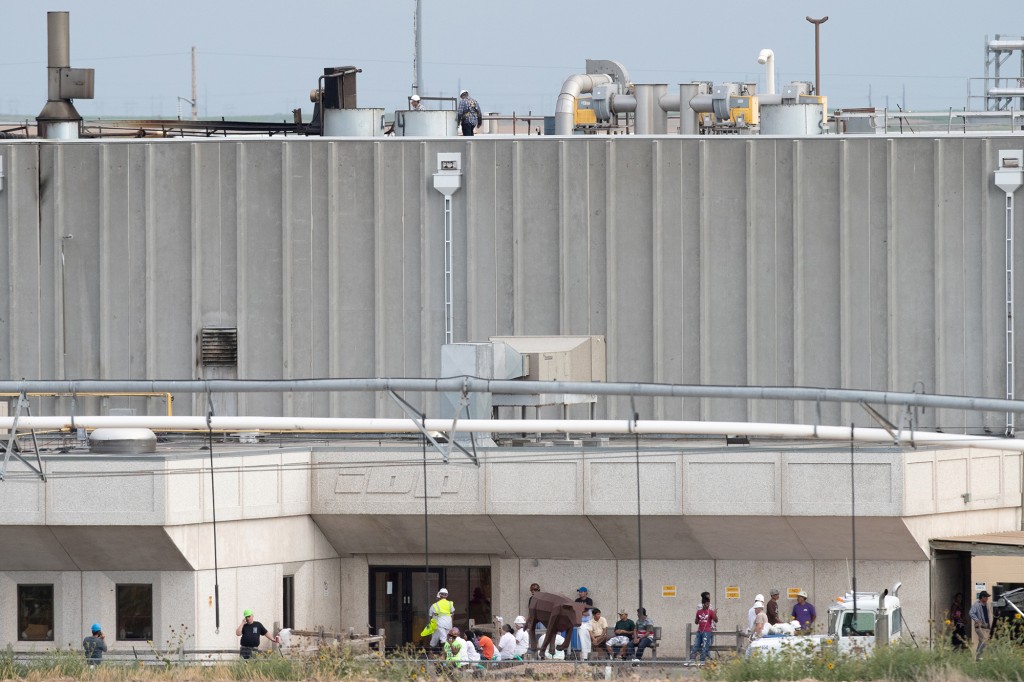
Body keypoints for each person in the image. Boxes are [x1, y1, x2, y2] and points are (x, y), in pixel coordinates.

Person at [690, 592, 717, 662]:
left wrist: (714, 614)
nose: (709, 597)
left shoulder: (710, 609)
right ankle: (695, 658)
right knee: (697, 644)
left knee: (707, 644)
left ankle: (704, 658)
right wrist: (699, 620)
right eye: (708, 596)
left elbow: (715, 619)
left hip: (709, 629)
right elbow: (697, 620)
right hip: (702, 630)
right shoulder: (700, 609)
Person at [969, 590, 991, 660]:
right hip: (979, 627)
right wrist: (977, 620)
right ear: (982, 597)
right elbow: (971, 613)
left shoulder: (986, 605)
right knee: (984, 640)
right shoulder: (977, 604)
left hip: (986, 626)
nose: (987, 598)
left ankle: (979, 657)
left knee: (983, 641)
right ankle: (978, 657)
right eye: (986, 597)